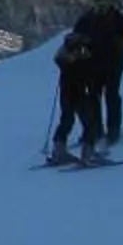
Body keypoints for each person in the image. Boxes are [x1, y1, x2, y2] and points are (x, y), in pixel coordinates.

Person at [69, 0, 123, 145]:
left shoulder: (119, 19)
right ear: (94, 1)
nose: (101, 4)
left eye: (105, 0)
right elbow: (75, 38)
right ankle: (96, 130)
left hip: (114, 63)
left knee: (111, 94)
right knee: (93, 96)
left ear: (110, 1)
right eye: (98, 0)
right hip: (92, 64)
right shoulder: (85, 20)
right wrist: (76, 48)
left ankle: (113, 129)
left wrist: (122, 42)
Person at [48, 28, 106, 163]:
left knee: (67, 120)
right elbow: (91, 69)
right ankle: (88, 153)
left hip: (66, 93)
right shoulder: (83, 57)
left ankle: (59, 150)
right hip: (82, 93)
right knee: (89, 122)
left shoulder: (63, 58)